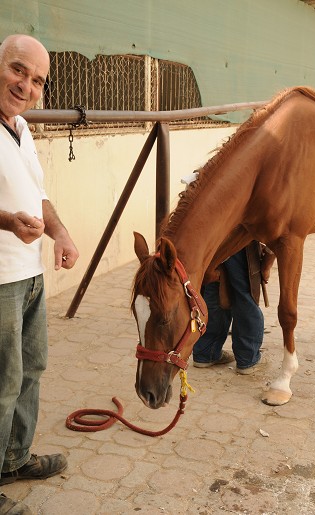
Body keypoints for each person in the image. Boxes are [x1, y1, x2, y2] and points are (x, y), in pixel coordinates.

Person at [0, 34, 79, 515]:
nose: (26, 85)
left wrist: (62, 233)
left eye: (37, 80)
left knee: (31, 370)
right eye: (17, 70)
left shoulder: (23, 129)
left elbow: (38, 194)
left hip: (28, 275)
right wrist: (6, 221)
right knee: (2, 381)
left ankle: (14, 457)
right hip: (0, 278)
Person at [193, 243, 275, 374]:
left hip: (215, 241)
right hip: (240, 241)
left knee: (216, 293)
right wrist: (268, 263)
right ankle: (248, 359)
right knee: (245, 296)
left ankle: (206, 353)